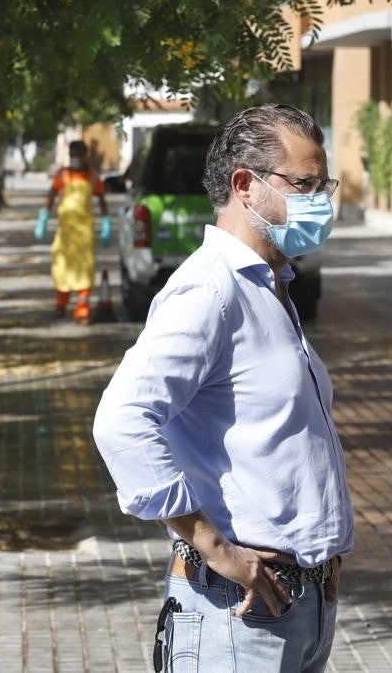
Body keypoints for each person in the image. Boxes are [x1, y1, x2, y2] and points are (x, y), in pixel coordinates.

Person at [93, 104, 350, 672]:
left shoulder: (272, 287)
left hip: (300, 610)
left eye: (323, 183)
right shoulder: (211, 292)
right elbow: (122, 420)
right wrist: (212, 546)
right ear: (245, 186)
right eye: (305, 184)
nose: (321, 201)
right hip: (237, 615)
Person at [39, 140, 109, 323]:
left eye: (77, 155)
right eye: (71, 155)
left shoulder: (93, 177)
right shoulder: (61, 175)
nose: (74, 158)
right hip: (65, 232)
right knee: (61, 267)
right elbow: (51, 196)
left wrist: (106, 223)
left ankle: (82, 308)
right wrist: (43, 218)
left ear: (85, 156)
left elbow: (102, 200)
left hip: (84, 233)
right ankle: (60, 305)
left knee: (85, 269)